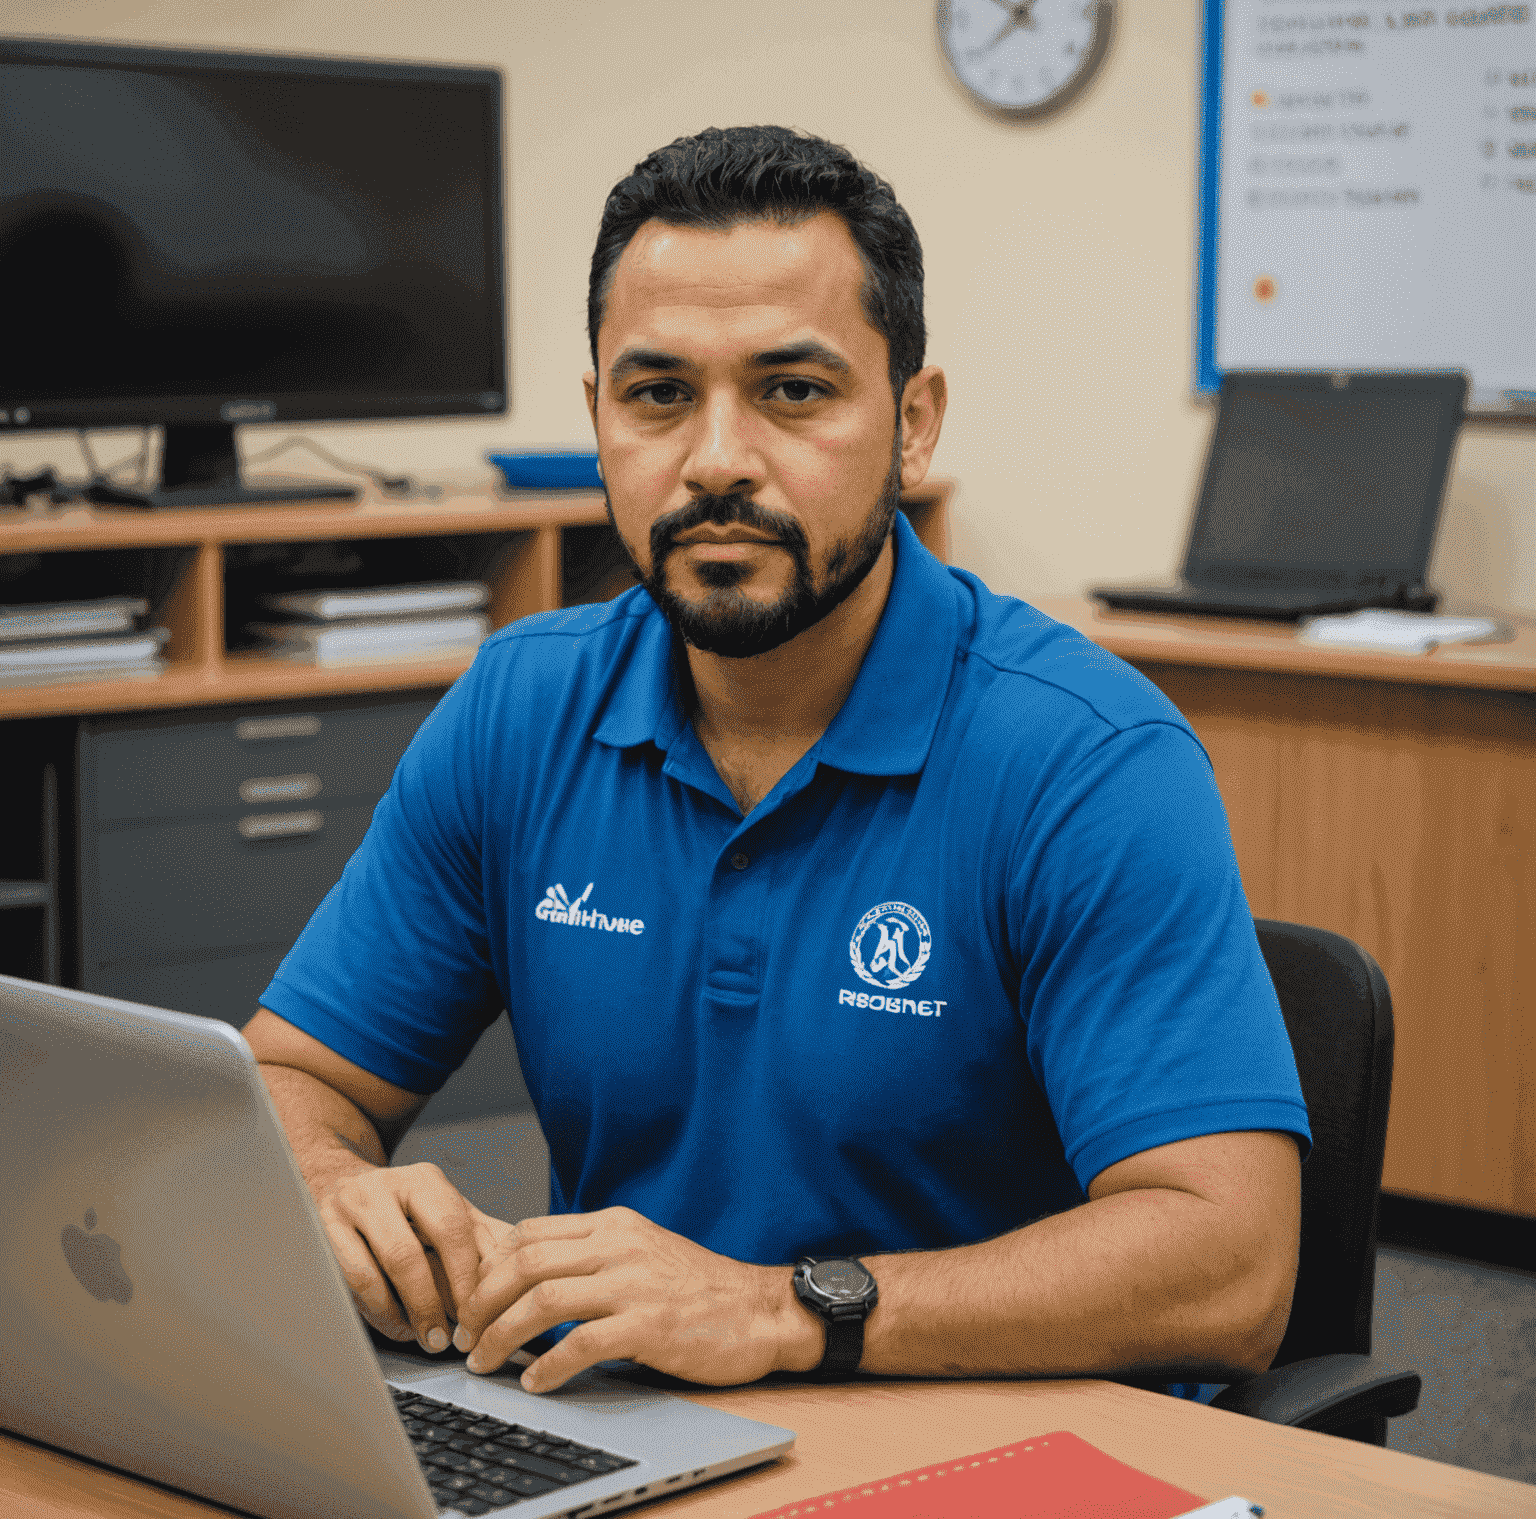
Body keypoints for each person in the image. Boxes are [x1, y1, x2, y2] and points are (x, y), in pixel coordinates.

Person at [244, 126, 1309, 1398]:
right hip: (633, 1435)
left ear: (912, 425)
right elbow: (289, 1078)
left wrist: (785, 1308)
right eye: (658, 396)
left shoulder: (1084, 759)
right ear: (598, 424)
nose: (716, 461)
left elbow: (1231, 1263)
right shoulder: (520, 711)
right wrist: (327, 1187)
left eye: (793, 392)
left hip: (993, 1454)